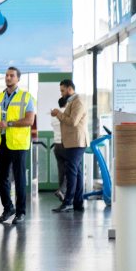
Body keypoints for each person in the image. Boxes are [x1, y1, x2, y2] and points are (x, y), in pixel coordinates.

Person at [0, 66, 36, 224]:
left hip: (18, 143)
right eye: (6, 75)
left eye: (11, 76)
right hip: (1, 142)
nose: (8, 78)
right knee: (1, 177)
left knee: (19, 179)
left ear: (18, 79)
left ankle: (20, 212)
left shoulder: (26, 97)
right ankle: (8, 208)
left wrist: (8, 123)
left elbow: (29, 120)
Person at [51, 79, 89, 213]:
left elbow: (73, 122)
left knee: (71, 172)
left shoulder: (78, 102)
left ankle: (68, 202)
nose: (61, 94)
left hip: (77, 142)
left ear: (69, 89)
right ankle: (78, 203)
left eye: (62, 90)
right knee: (77, 173)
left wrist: (58, 114)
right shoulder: (71, 102)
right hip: (72, 142)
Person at [51, 94, 69, 201]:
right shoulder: (65, 114)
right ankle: (62, 190)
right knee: (71, 170)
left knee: (61, 171)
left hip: (56, 145)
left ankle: (62, 194)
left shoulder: (54, 116)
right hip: (66, 144)